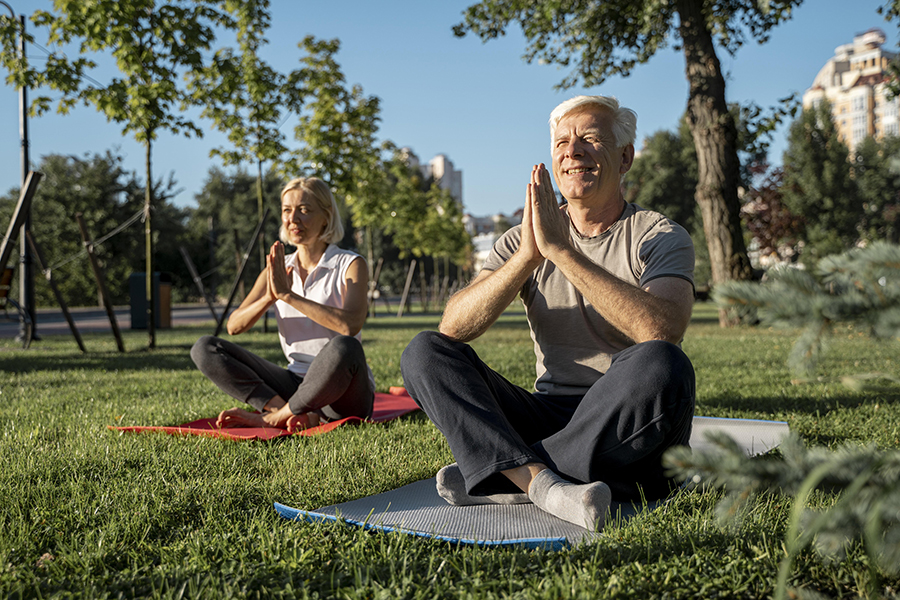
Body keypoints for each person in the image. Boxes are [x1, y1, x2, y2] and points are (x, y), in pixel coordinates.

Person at [400, 96, 696, 531]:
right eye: (562, 143)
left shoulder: (657, 234)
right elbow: (454, 328)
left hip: (625, 416)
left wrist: (561, 251)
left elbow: (662, 328)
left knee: (663, 362)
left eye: (591, 139)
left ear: (625, 157)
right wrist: (526, 258)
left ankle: (501, 473)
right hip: (549, 409)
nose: (572, 151)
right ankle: (540, 482)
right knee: (424, 350)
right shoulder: (523, 240)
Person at [191, 177, 374, 432]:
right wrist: (270, 296)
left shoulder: (350, 264)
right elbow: (234, 326)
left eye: (304, 210)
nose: (293, 219)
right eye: (287, 210)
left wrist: (289, 296)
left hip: (343, 394)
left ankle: (274, 418)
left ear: (326, 216)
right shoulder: (278, 270)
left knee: (345, 347)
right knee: (205, 348)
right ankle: (283, 410)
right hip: (295, 382)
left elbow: (349, 325)